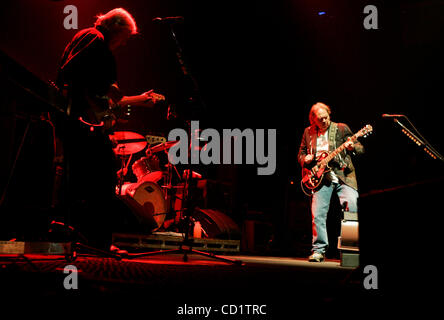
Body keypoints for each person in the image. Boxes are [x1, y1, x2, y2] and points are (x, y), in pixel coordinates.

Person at [55, 8, 163, 250]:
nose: (123, 43)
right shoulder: (94, 37)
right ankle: (98, 240)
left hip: (79, 119)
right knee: (102, 173)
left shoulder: (96, 43)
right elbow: (72, 74)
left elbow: (98, 89)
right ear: (116, 27)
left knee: (85, 178)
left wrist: (113, 95)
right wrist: (104, 88)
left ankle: (84, 237)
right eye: (124, 37)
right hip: (76, 119)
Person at [297, 102, 364, 262]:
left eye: (326, 117)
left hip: (343, 175)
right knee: (318, 215)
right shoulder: (308, 132)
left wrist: (351, 147)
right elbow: (301, 153)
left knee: (351, 209)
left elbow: (359, 147)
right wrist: (305, 160)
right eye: (320, 119)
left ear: (329, 115)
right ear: (313, 120)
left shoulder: (341, 128)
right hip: (319, 177)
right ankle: (319, 250)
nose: (324, 121)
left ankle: (350, 252)